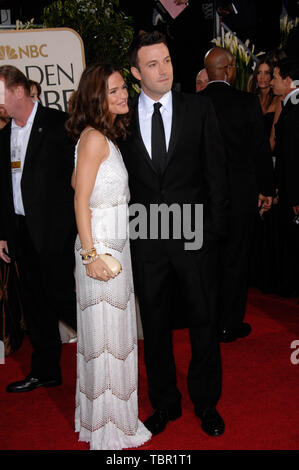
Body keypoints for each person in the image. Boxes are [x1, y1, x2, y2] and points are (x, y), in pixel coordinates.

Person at [119, 31, 228, 438]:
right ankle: (165, 404)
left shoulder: (198, 109)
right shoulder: (123, 116)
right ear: (135, 73)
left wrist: (215, 232)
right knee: (157, 327)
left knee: (203, 322)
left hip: (194, 237)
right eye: (152, 63)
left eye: (165, 60)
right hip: (146, 239)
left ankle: (206, 403)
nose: (163, 69)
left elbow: (217, 174)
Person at [66, 63, 152, 450]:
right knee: (106, 339)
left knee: (114, 336)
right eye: (115, 90)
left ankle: (110, 419)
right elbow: (79, 199)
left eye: (123, 89)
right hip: (101, 252)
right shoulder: (93, 139)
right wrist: (90, 256)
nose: (124, 96)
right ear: (97, 96)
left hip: (117, 250)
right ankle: (108, 428)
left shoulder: (104, 137)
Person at [0, 65, 76, 392]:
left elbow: (77, 183)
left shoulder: (59, 125)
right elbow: (2, 188)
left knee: (67, 302)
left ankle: (104, 360)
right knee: (35, 307)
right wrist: (3, 233)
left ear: (19, 91)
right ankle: (45, 371)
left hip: (57, 235)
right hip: (20, 233)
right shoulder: (3, 136)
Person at [202, 47, 274, 342]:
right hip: (241, 195)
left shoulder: (193, 104)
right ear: (230, 70)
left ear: (208, 73)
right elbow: (260, 151)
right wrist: (267, 190)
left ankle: (207, 321)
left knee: (207, 262)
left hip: (204, 198)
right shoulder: (246, 103)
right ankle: (229, 324)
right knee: (235, 259)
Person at [271, 58, 299, 297]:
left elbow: (292, 156)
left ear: (289, 81)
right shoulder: (289, 106)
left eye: (276, 77)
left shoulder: (294, 110)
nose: (271, 81)